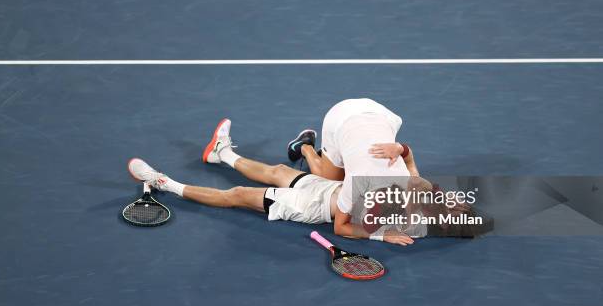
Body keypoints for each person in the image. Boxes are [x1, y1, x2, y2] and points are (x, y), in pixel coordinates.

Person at [127, 118, 415, 245]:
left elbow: (341, 227)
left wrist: (380, 235)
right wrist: (400, 149)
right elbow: (410, 162)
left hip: (309, 206)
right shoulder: (409, 187)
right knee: (278, 170)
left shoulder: (382, 212)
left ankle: (164, 182)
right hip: (327, 189)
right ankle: (221, 153)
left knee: (237, 194)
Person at [286, 98, 421, 240]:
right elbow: (340, 227)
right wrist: (382, 235)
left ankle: (335, 156)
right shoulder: (355, 184)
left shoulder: (409, 185)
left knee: (343, 167)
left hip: (376, 113)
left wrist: (401, 148)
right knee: (329, 182)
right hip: (340, 118)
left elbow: (408, 158)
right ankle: (305, 148)